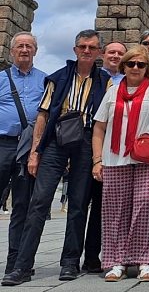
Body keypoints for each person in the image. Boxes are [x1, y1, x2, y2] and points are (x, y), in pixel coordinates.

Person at [3, 29, 110, 286]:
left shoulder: (105, 81)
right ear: (75, 50)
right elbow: (42, 116)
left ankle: (70, 262)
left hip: (85, 141)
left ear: (98, 53)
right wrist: (35, 153)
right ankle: (22, 266)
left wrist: (99, 157)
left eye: (92, 48)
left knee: (78, 204)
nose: (86, 51)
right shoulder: (58, 78)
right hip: (56, 140)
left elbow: (105, 121)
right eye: (82, 46)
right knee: (38, 203)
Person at [91, 45, 149, 282]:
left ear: (147, 67)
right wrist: (97, 160)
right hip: (114, 159)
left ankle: (144, 260)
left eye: (140, 64)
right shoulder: (113, 91)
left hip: (147, 159)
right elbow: (99, 126)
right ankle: (116, 261)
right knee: (114, 210)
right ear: (123, 66)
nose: (135, 68)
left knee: (147, 205)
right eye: (131, 64)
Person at [0, 33, 46, 275]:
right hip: (2, 144)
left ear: (36, 51)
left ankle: (15, 264)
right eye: (20, 46)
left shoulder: (45, 80)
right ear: (12, 51)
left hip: (29, 148)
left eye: (29, 46)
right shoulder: (0, 79)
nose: (25, 50)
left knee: (22, 207)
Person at [82, 40, 128, 273]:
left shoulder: (129, 80)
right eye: (111, 52)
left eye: (121, 53)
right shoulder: (93, 77)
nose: (116, 56)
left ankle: (100, 256)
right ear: (103, 54)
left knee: (105, 206)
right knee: (81, 204)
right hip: (91, 143)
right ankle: (77, 256)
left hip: (117, 150)